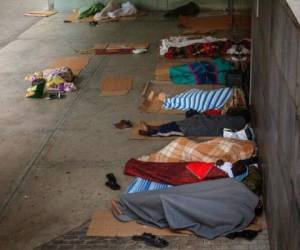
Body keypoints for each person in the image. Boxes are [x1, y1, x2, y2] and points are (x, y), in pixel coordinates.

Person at [139, 107, 251, 137]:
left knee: (172, 129)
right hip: (200, 124)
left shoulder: (236, 121)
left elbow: (216, 122)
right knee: (174, 125)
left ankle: (151, 132)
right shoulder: (237, 121)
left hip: (198, 127)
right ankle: (152, 128)